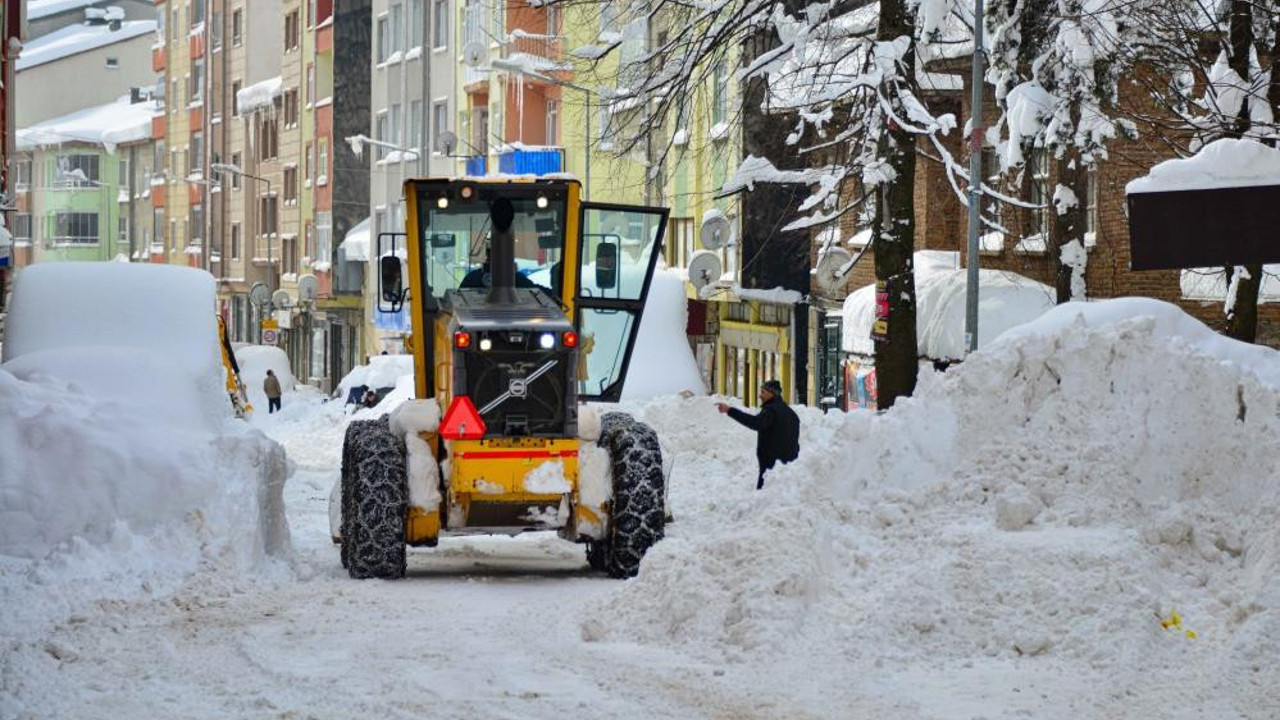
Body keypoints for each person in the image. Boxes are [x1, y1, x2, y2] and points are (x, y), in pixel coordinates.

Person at [716, 379, 800, 490]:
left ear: (772, 394)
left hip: (771, 464)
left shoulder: (770, 411)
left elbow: (755, 423)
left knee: (765, 494)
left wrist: (730, 411)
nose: (760, 396)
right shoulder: (791, 414)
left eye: (763, 392)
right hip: (788, 466)